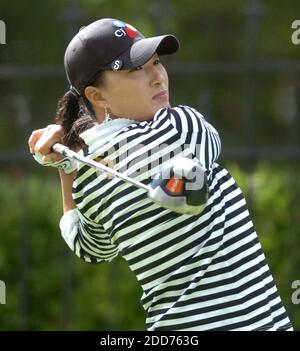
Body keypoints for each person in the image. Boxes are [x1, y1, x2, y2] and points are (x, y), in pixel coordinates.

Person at [28, 18, 293, 331]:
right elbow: (211, 140)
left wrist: (66, 164)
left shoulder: (90, 178)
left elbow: (90, 247)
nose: (157, 77)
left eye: (155, 62)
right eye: (135, 69)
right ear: (97, 96)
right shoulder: (180, 128)